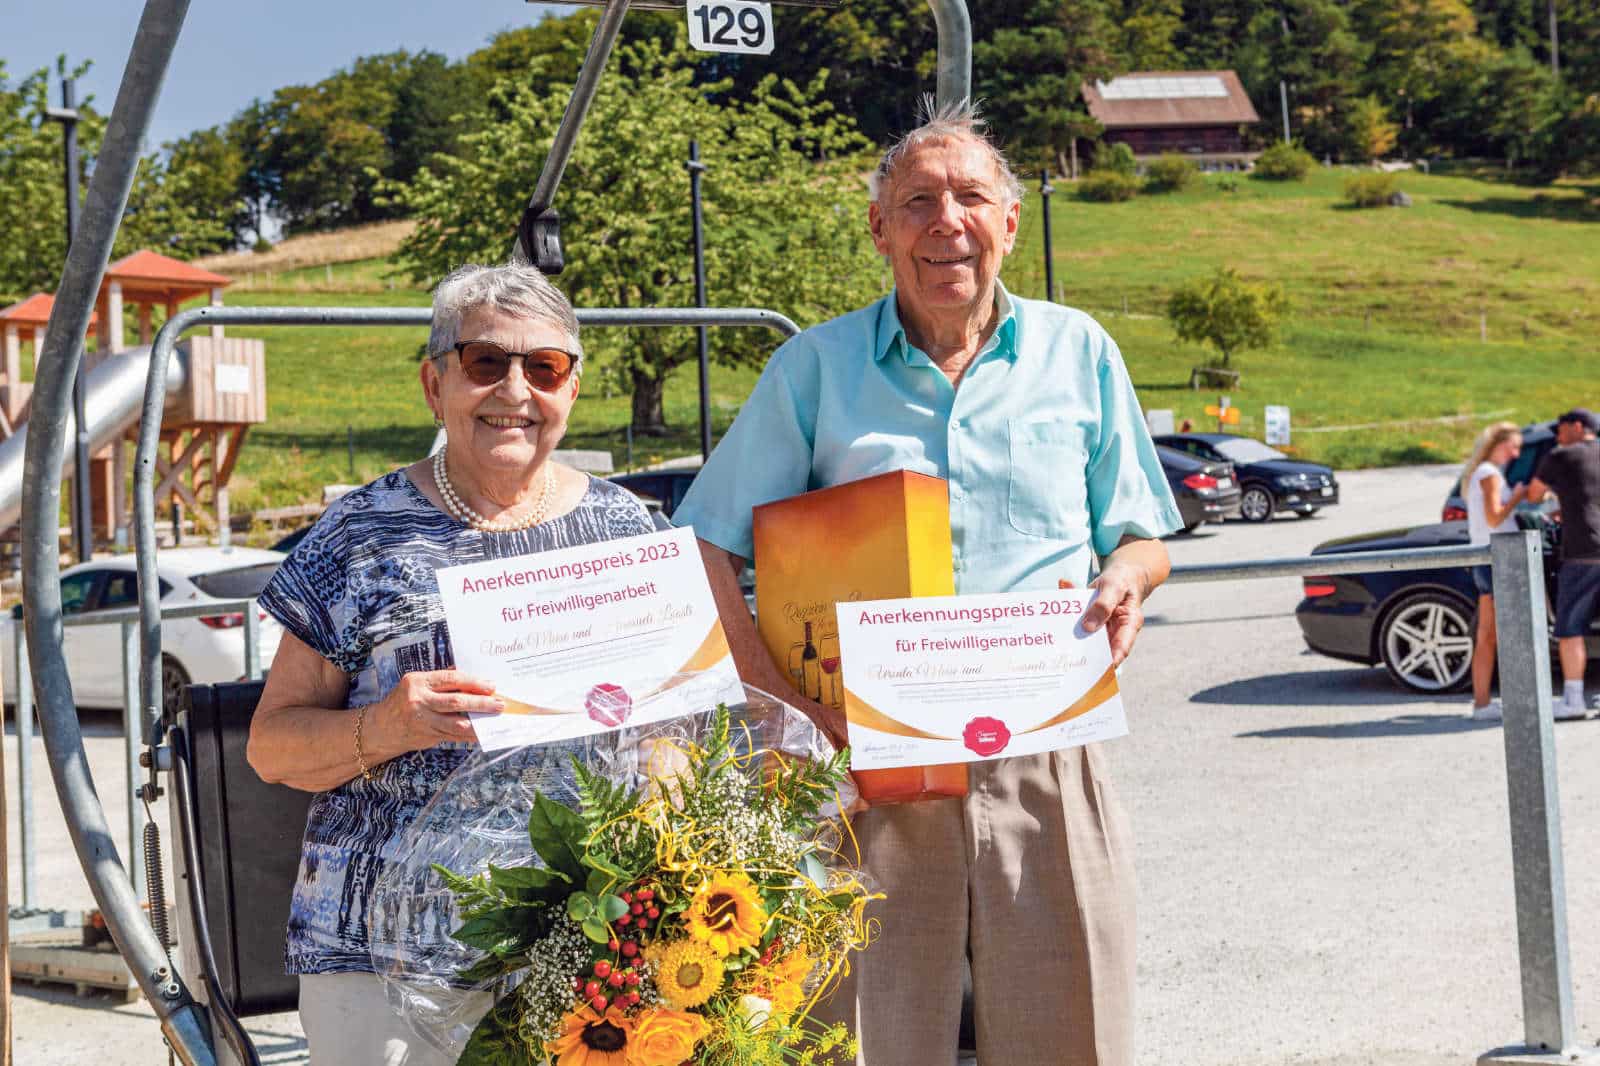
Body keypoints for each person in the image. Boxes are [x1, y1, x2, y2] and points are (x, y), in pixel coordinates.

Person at [673, 100, 1181, 1066]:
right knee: (863, 1039)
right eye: (917, 201)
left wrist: (1126, 578)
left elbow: (1142, 535)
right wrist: (783, 709)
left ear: (1010, 223)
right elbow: (702, 551)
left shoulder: (1080, 351)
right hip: (867, 768)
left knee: (1072, 1032)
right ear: (880, 229)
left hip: (1046, 750)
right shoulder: (813, 369)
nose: (946, 222)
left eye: (970, 198)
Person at [246, 263, 657, 1065]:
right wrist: (390, 723)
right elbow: (271, 745)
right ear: (435, 386)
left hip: (588, 946)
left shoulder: (627, 527)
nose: (515, 390)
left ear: (572, 389)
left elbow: (674, 720)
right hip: (382, 961)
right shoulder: (361, 532)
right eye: (483, 363)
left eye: (544, 367)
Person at [1527, 407, 1600, 721]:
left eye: (1560, 428)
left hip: (1583, 551)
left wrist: (1556, 502)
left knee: (1569, 628)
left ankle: (1573, 700)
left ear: (1576, 426)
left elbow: (1533, 494)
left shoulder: (1560, 456)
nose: (1557, 435)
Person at [1459, 421, 1528, 721]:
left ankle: (1483, 703)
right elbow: (1495, 517)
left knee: (1488, 635)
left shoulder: (1480, 473)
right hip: (1498, 559)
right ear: (1498, 444)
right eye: (1513, 447)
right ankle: (1486, 703)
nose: (1515, 454)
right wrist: (1519, 495)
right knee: (1496, 634)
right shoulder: (1489, 474)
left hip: (1486, 558)